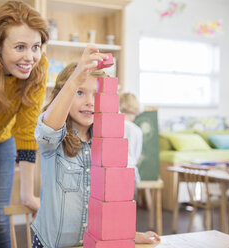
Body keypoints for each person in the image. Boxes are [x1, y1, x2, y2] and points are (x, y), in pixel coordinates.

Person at [32, 45, 160, 247]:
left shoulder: (109, 144)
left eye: (96, 94)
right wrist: (76, 77)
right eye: (80, 93)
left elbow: (110, 203)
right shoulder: (54, 142)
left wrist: (126, 234)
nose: (90, 102)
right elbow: (48, 131)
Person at [0, 1, 49, 246]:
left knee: (0, 218)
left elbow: (26, 130)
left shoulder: (38, 68)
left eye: (36, 46)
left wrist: (27, 194)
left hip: (0, 141)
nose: (30, 57)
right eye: (20, 47)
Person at [120, 93, 143, 193]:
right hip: (130, 171)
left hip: (113, 171)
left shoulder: (113, 125)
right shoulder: (137, 130)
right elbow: (136, 155)